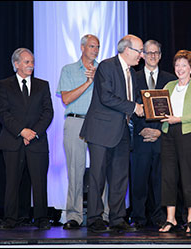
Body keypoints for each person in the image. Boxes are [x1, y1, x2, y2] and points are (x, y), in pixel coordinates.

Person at [79, 34, 145, 233]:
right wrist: (134, 107)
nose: (141, 56)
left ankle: (117, 218)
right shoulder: (107, 66)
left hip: (122, 131)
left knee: (119, 177)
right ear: (127, 50)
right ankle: (94, 218)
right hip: (101, 131)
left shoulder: (132, 73)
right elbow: (107, 97)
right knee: (97, 177)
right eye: (139, 51)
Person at [0, 48, 54, 230]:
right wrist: (22, 131)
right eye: (27, 62)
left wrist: (33, 132)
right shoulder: (4, 85)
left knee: (39, 182)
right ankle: (11, 219)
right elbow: (3, 113)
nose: (31, 65)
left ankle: (41, 219)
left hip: (36, 141)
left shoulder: (42, 85)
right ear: (16, 64)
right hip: (13, 141)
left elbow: (48, 112)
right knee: (12, 182)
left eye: (32, 62)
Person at [57, 34, 109, 229]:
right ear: (82, 48)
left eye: (97, 46)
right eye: (91, 46)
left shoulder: (104, 70)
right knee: (74, 169)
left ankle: (103, 215)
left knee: (101, 169)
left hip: (99, 123)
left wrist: (98, 79)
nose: (95, 50)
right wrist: (88, 83)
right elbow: (67, 98)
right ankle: (74, 216)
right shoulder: (69, 70)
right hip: (75, 121)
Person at [159, 50, 191, 233]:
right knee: (168, 176)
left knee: (189, 176)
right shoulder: (169, 85)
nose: (180, 69)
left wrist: (178, 119)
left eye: (184, 65)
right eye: (177, 65)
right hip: (168, 133)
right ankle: (171, 219)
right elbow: (160, 107)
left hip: (188, 133)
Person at [130, 40, 176, 229]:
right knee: (138, 179)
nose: (153, 56)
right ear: (142, 55)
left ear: (161, 55)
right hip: (140, 136)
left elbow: (174, 108)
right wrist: (142, 128)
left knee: (160, 180)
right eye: (149, 53)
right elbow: (129, 104)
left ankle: (159, 216)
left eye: (156, 53)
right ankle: (138, 217)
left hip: (162, 136)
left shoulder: (170, 79)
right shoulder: (133, 77)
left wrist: (158, 130)